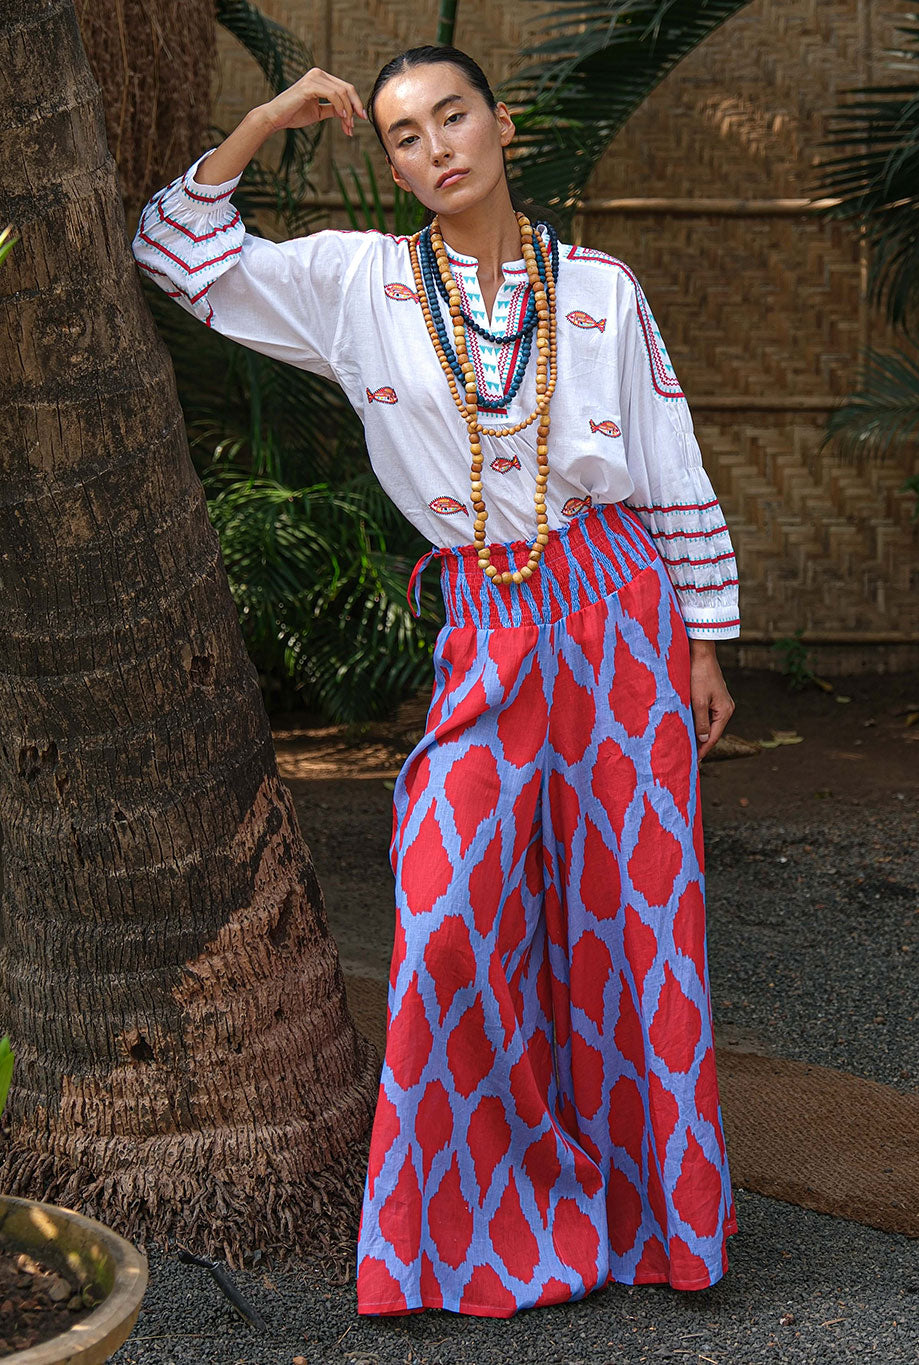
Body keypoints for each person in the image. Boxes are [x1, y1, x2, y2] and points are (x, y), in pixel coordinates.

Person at [130, 44, 740, 1319]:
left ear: (501, 125)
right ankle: (454, 1240)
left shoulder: (602, 288)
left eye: (450, 118)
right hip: (483, 624)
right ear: (391, 163)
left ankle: (658, 1231)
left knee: (633, 924)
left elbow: (669, 454)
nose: (433, 150)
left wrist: (703, 637)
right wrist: (265, 117)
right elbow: (178, 249)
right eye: (403, 136)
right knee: (453, 910)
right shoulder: (360, 283)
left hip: (617, 608)